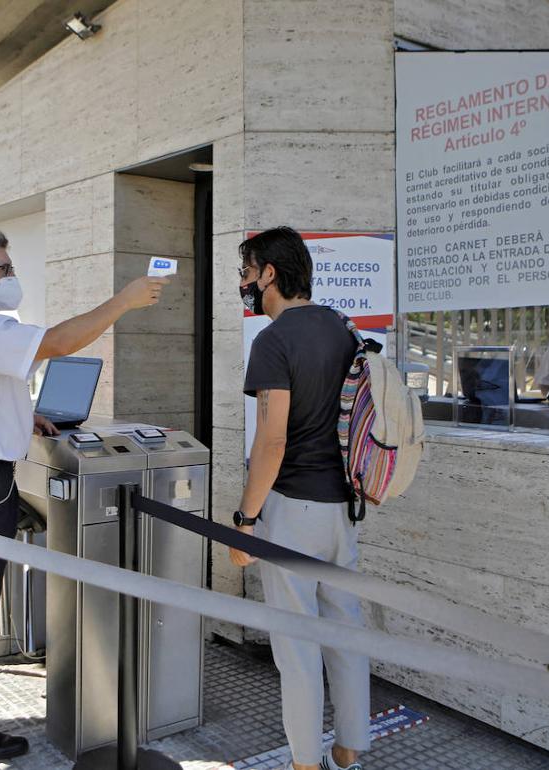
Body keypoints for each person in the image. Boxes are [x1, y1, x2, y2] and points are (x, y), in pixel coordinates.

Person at [0, 228, 167, 761]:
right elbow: (58, 342)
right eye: (3, 268)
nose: (11, 277)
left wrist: (22, 416)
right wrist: (122, 302)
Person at [228, 227, 370, 770]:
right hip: (342, 509)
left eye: (248, 272)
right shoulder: (341, 328)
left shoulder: (275, 341)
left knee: (297, 646)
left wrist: (246, 519)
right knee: (344, 633)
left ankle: (305, 763)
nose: (244, 284)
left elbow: (272, 440)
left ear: (270, 274)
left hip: (293, 510)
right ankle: (348, 750)